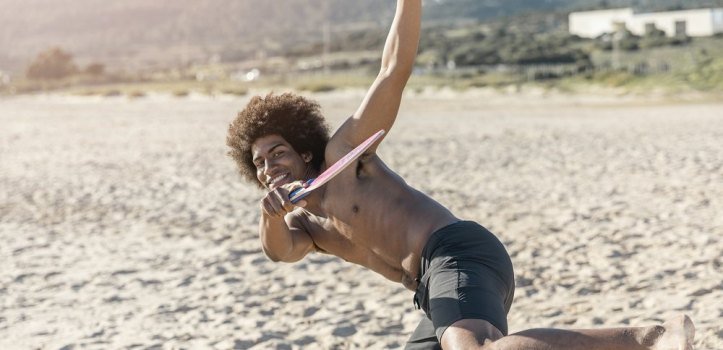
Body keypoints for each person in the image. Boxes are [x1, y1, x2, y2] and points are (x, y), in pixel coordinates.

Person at [226, 1, 695, 349]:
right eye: (260, 162)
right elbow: (279, 252)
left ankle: (650, 335)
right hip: (431, 289)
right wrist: (270, 216)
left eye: (277, 152)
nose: (269, 166)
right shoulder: (306, 225)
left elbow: (393, 71)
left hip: (456, 252)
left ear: (304, 150)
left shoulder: (345, 155)